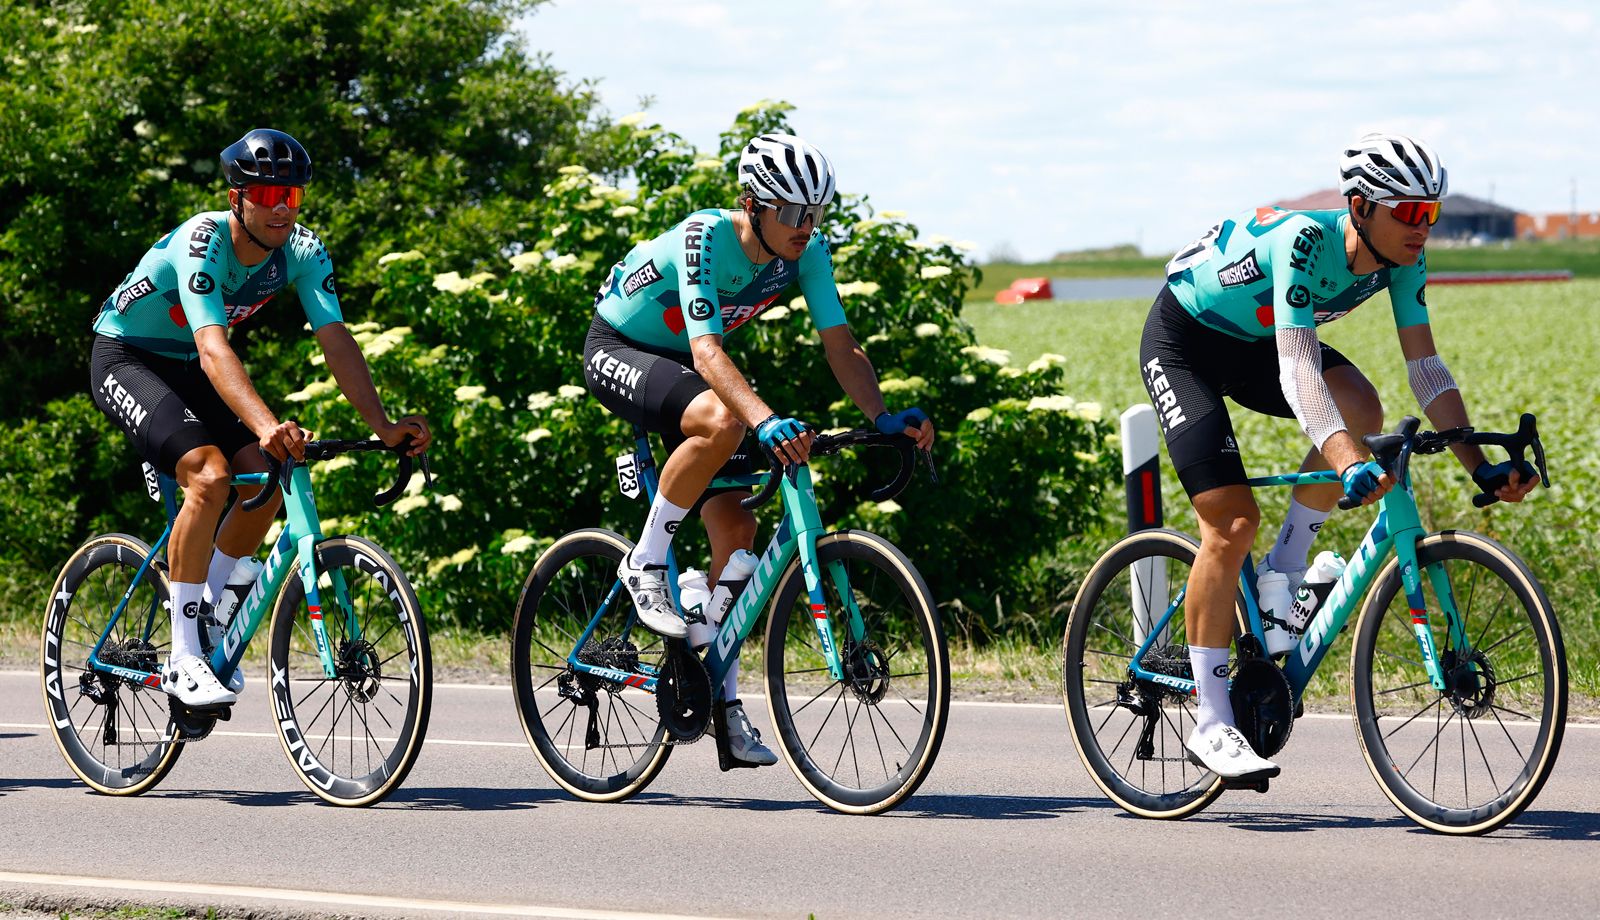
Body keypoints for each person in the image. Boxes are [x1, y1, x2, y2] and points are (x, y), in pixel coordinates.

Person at [1141, 132, 1538, 779]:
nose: (1422, 227)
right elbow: (1299, 369)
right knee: (1232, 521)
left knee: (1361, 400)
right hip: (1186, 340)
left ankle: (1282, 576)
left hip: (1253, 344)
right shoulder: (1304, 241)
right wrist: (1348, 459)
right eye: (1407, 212)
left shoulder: (1404, 260)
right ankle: (1212, 723)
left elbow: (1427, 368)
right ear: (1360, 208)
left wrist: (1480, 464)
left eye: (1430, 212)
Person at [582, 133, 935, 765]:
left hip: (690, 371)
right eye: (796, 213)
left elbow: (840, 342)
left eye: (817, 212)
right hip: (622, 348)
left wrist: (880, 416)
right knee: (727, 422)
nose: (808, 226)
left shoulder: (807, 254)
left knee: (739, 528)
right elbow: (706, 352)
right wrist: (765, 418)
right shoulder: (704, 238)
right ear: (755, 204)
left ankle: (721, 700)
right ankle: (646, 560)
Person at [90, 129, 431, 709]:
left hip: (191, 368)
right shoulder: (203, 242)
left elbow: (337, 341)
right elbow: (213, 349)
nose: (280, 208)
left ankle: (212, 614)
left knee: (267, 478)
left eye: (291, 196)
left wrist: (382, 425)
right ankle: (182, 656)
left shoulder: (302, 251)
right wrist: (267, 422)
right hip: (128, 356)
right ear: (236, 199)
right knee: (210, 474)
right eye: (267, 194)